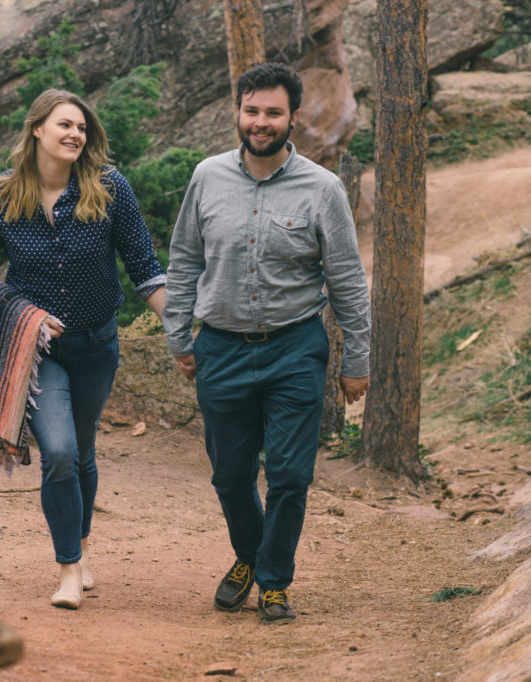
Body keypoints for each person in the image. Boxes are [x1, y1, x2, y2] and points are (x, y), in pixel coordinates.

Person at [162, 63, 371, 625]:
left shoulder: (323, 189)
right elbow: (184, 259)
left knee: (289, 476)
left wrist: (358, 358)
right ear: (238, 112)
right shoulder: (206, 177)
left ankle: (273, 580)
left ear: (292, 118)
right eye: (251, 110)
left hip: (294, 349)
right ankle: (249, 556)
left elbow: (347, 279)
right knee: (230, 475)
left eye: (273, 112)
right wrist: (179, 336)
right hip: (221, 349)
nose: (260, 122)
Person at [0, 89, 166, 609]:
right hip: (37, 353)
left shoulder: (109, 189)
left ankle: (83, 545)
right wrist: (24, 314)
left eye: (81, 127)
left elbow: (145, 268)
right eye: (64, 125)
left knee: (82, 452)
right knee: (58, 454)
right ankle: (69, 568)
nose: (75, 134)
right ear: (37, 130)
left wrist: (183, 331)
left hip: (98, 345)